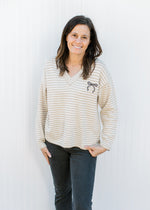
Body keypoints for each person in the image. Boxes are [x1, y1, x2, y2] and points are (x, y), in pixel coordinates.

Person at [35, 15, 118, 210]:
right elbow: (42, 105)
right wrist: (40, 140)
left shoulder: (98, 70)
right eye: (74, 35)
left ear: (90, 42)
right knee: (62, 196)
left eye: (84, 37)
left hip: (85, 146)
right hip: (55, 144)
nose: (78, 41)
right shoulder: (50, 67)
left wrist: (105, 143)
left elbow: (110, 107)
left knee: (81, 203)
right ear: (66, 36)